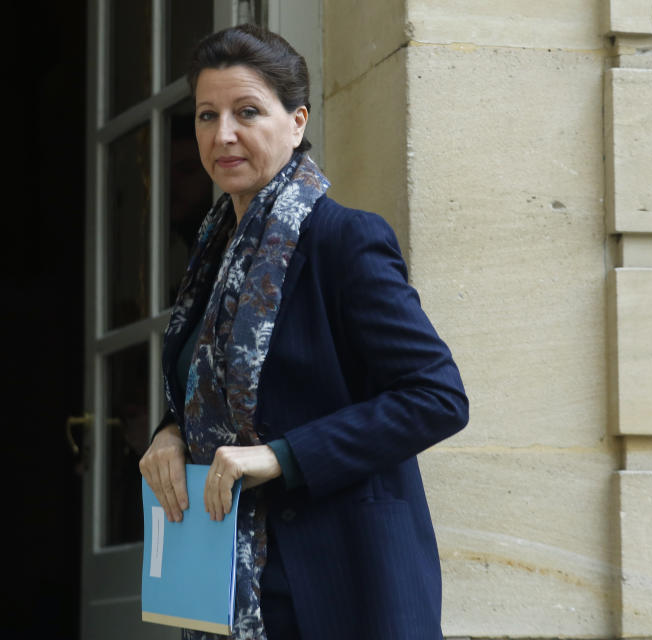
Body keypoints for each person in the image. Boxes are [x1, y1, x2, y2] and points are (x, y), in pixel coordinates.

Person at [139, 24, 468, 640]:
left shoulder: (343, 239)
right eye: (207, 116)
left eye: (247, 112)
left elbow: (437, 398)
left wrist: (282, 456)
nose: (223, 134)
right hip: (227, 583)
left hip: (340, 579)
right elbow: (215, 395)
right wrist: (170, 431)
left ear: (296, 122)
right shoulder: (211, 259)